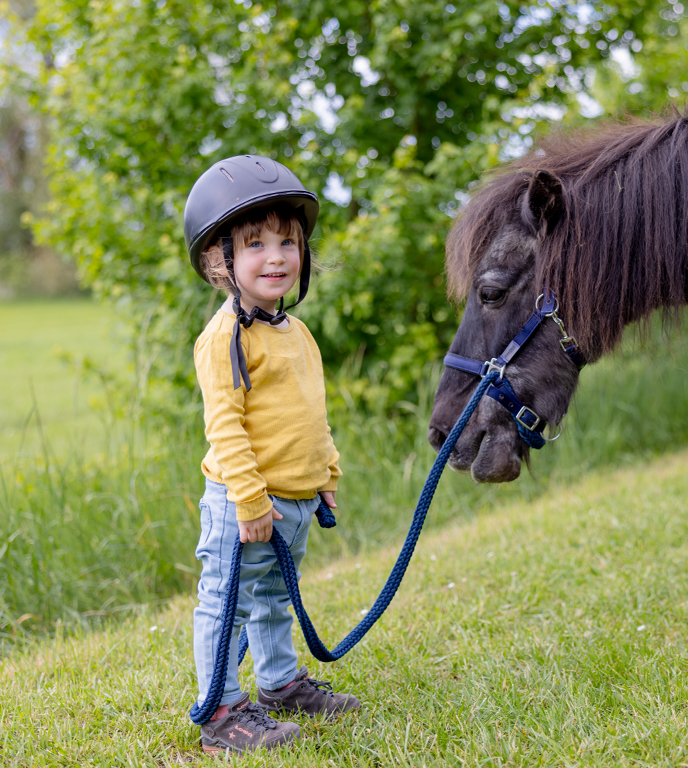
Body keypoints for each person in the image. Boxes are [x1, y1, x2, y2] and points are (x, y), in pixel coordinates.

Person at [183, 155, 359, 755]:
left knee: (273, 597)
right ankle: (219, 712)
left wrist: (325, 472)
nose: (277, 256)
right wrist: (250, 499)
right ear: (220, 262)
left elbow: (313, 410)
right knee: (227, 603)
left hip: (295, 499)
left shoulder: (295, 332)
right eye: (255, 244)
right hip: (246, 505)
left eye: (288, 241)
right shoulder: (224, 337)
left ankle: (280, 683)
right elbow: (225, 427)